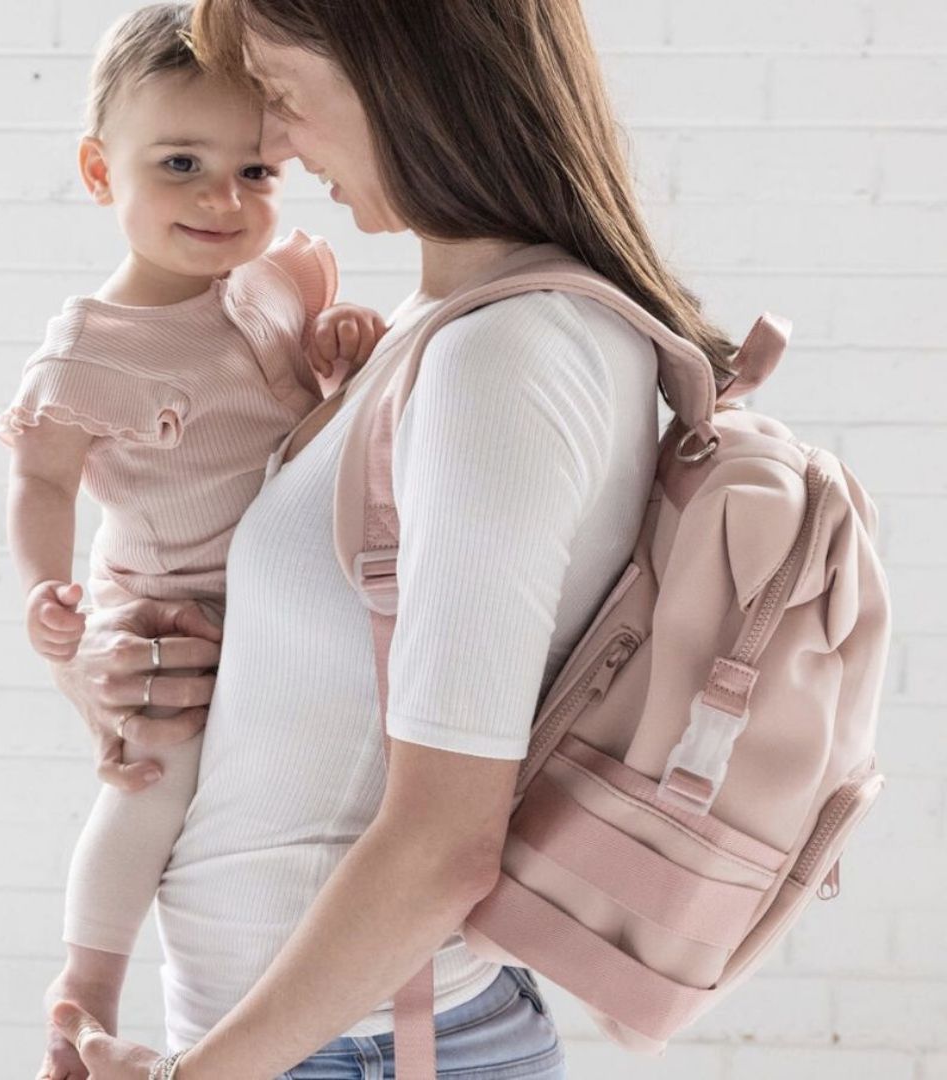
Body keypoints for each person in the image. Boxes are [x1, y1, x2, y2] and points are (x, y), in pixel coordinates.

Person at [44, 0, 743, 1077]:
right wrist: (121, 664)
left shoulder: (501, 357)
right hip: (308, 1040)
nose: (269, 142)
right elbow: (317, 671)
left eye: (279, 91)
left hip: (365, 1050)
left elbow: (442, 845)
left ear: (401, 70)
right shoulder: (439, 329)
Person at [0, 7, 388, 1079]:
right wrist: (48, 597)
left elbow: (307, 417)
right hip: (176, 599)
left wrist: (339, 355)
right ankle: (87, 987)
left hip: (289, 596)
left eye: (257, 171)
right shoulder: (92, 351)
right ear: (99, 172)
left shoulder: (270, 285)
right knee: (150, 777)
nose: (225, 200)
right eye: (181, 164)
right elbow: (39, 478)